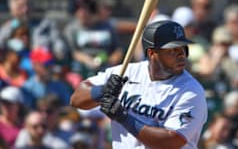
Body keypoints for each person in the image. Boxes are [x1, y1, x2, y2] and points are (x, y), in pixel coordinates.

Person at [70, 20, 208, 149]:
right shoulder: (126, 72)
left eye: (182, 48)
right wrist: (103, 90)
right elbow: (76, 99)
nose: (181, 55)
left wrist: (123, 117)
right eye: (172, 50)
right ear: (152, 53)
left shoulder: (191, 91)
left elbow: (171, 141)